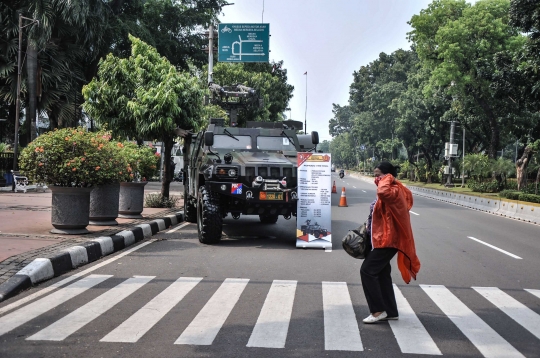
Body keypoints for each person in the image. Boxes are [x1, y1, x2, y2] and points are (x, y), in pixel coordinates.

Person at [361, 161, 421, 323]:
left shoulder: (393, 190)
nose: (376, 179)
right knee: (381, 274)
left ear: (387, 176)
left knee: (367, 271)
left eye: (378, 175)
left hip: (388, 240)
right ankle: (390, 311)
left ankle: (378, 311)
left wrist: (386, 178)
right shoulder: (393, 189)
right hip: (381, 238)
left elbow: (383, 193)